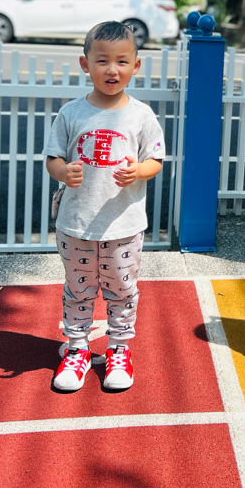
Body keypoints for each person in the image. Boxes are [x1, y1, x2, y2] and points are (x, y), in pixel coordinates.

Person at [43, 20, 165, 392]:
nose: (112, 69)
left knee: (122, 290)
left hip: (123, 226)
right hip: (76, 224)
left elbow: (156, 161)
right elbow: (52, 158)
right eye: (102, 61)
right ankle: (77, 349)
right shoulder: (71, 113)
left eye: (122, 61)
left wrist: (139, 171)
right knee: (78, 290)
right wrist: (62, 171)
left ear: (135, 66)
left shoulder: (141, 115)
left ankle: (119, 350)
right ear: (85, 64)